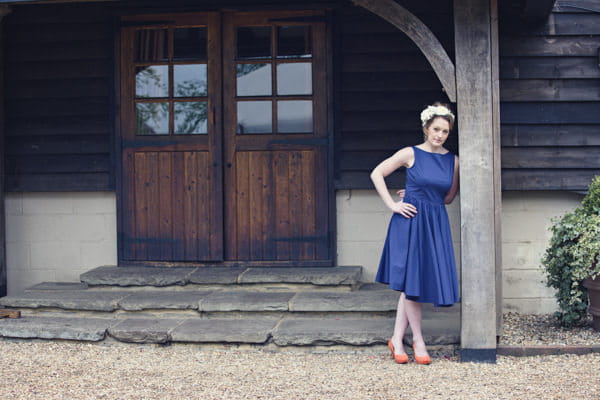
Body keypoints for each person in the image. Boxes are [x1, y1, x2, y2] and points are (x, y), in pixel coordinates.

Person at [370, 103, 460, 365]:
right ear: (426, 128)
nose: (440, 135)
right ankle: (418, 340)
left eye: (445, 131)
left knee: (414, 282)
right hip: (409, 221)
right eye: (436, 129)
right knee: (413, 284)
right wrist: (393, 204)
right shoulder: (410, 153)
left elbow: (449, 197)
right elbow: (377, 173)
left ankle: (397, 339)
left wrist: (422, 194)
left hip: (435, 224)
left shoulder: (453, 161)